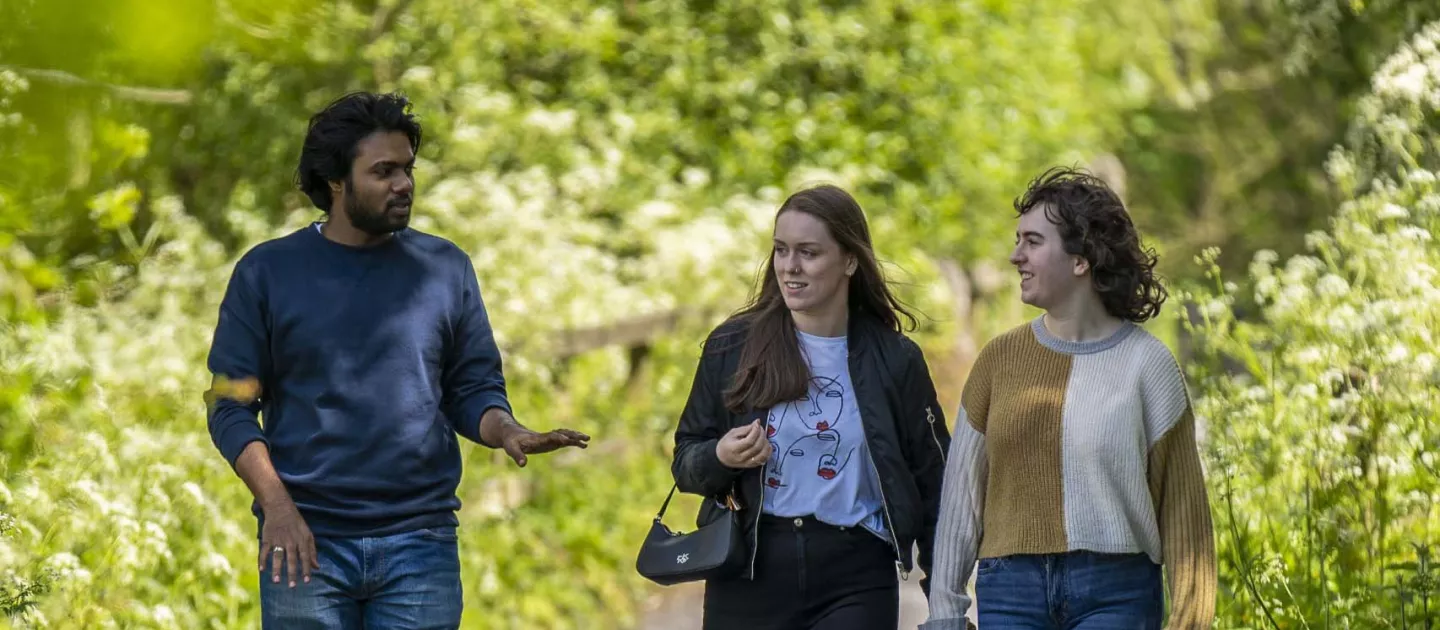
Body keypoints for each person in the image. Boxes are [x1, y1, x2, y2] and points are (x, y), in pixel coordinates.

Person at [204, 91, 589, 629]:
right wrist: (278, 507)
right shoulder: (267, 273)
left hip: (420, 544)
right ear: (335, 180)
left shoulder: (444, 269)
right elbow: (229, 407)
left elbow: (471, 388)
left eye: (407, 168)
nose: (404, 183)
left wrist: (506, 430)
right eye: (383, 171)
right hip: (304, 542)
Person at [922, 166, 1216, 629]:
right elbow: (962, 498)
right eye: (1017, 240)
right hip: (1010, 591)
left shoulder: (1149, 366)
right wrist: (945, 613)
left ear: (1082, 260)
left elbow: (1184, 513)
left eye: (1033, 242)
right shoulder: (998, 360)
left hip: (1117, 592)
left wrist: (1190, 621)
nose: (1015, 256)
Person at [670, 184, 952, 630]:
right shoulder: (733, 345)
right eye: (781, 250)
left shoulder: (895, 359)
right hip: (749, 572)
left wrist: (945, 599)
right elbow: (685, 462)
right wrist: (720, 456)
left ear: (850, 261)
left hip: (857, 575)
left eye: (808, 252)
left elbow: (935, 483)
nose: (790, 266)